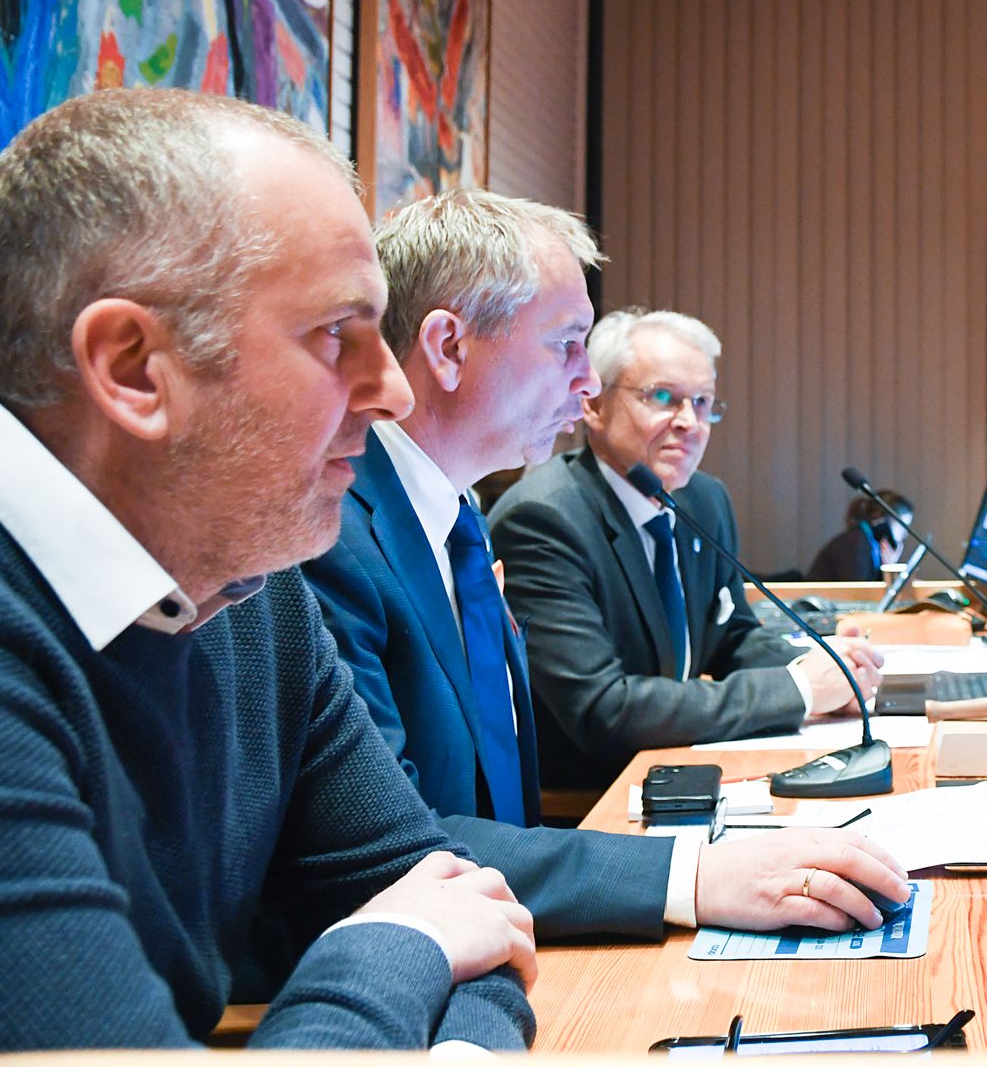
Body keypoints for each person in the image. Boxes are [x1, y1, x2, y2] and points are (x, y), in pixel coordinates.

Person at [0, 90, 536, 1050]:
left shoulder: (243, 582)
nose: (394, 388)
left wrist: (424, 981)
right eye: (338, 334)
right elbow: (422, 925)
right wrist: (390, 952)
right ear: (132, 368)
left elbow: (472, 919)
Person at [302, 192, 907, 938]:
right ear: (450, 347)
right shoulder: (329, 540)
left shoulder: (455, 519)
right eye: (565, 345)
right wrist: (693, 874)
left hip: (515, 936)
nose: (586, 382)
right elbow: (403, 848)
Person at [491, 309, 885, 787]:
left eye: (703, 402)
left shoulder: (704, 499)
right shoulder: (544, 519)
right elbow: (604, 709)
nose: (688, 422)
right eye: (663, 397)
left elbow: (732, 637)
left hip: (682, 765)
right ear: (593, 405)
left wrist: (826, 669)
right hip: (594, 799)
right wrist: (799, 689)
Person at [809, 489, 915, 582]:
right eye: (902, 526)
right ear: (880, 519)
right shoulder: (856, 543)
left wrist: (888, 568)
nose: (905, 534)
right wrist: (888, 571)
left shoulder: (867, 541)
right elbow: (858, 593)